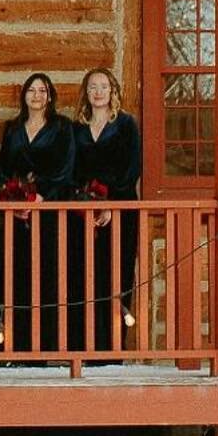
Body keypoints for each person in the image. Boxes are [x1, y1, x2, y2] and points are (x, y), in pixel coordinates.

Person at [0, 71, 75, 353]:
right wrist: (14, 199)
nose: (37, 95)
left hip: (49, 213)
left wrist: (41, 194)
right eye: (31, 90)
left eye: (42, 90)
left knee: (48, 274)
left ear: (50, 96)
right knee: (19, 275)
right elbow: (5, 168)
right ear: (24, 95)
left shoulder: (62, 127)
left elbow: (65, 168)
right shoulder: (13, 128)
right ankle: (19, 346)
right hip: (18, 215)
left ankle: (47, 346)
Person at [69, 67, 142, 354]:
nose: (98, 92)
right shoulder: (77, 128)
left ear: (113, 91)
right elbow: (71, 170)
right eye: (92, 87)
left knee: (116, 274)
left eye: (103, 86)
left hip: (120, 211)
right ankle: (84, 346)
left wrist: (110, 203)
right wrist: (86, 203)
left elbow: (131, 168)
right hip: (83, 214)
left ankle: (112, 347)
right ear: (86, 93)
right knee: (83, 274)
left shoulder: (125, 124)